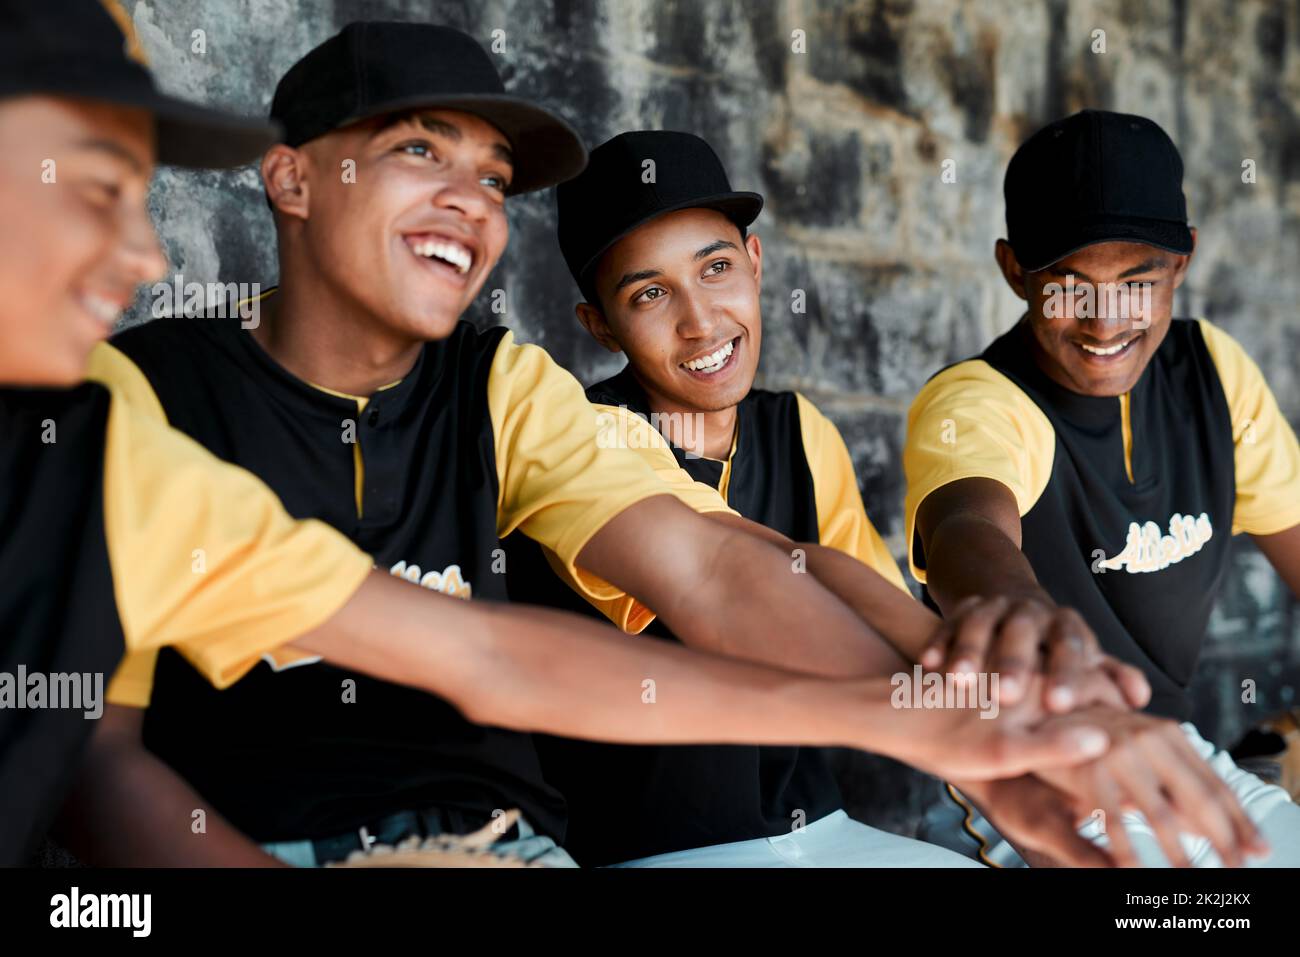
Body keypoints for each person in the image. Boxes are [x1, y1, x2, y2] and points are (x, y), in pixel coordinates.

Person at [1, 0, 1115, 871]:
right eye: (418, 153)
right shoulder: (131, 399)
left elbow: (705, 566)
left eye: (490, 178)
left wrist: (955, 725)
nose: (470, 203)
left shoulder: (505, 384)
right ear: (292, 178)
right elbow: (92, 758)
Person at [507, 129, 1267, 868]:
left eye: (715, 269)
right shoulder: (593, 433)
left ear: (756, 262)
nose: (701, 319)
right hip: (660, 847)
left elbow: (874, 602)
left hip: (823, 831)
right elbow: (740, 571)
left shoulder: (799, 429)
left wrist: (1027, 733)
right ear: (599, 323)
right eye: (649, 294)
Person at [906, 109, 1300, 867]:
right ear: (1014, 269)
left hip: (1174, 752)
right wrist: (1031, 628)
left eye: (1137, 280)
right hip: (1043, 770)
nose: (1104, 319)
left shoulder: (1212, 371)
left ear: (1181, 265)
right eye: (1068, 284)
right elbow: (966, 532)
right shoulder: (978, 401)